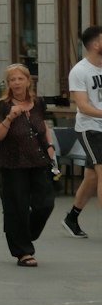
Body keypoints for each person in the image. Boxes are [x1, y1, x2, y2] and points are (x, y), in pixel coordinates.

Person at [0, 62, 57, 266]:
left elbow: (42, 125)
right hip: (13, 162)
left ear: (28, 81)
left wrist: (50, 145)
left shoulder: (38, 103)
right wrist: (9, 118)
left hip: (38, 160)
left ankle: (25, 232)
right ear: (8, 84)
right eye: (12, 80)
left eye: (20, 79)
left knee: (45, 203)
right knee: (16, 207)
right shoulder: (2, 106)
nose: (17, 83)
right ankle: (23, 252)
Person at [62, 24, 102, 238]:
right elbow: (83, 106)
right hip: (90, 128)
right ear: (96, 44)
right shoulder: (79, 71)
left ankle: (71, 218)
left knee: (92, 178)